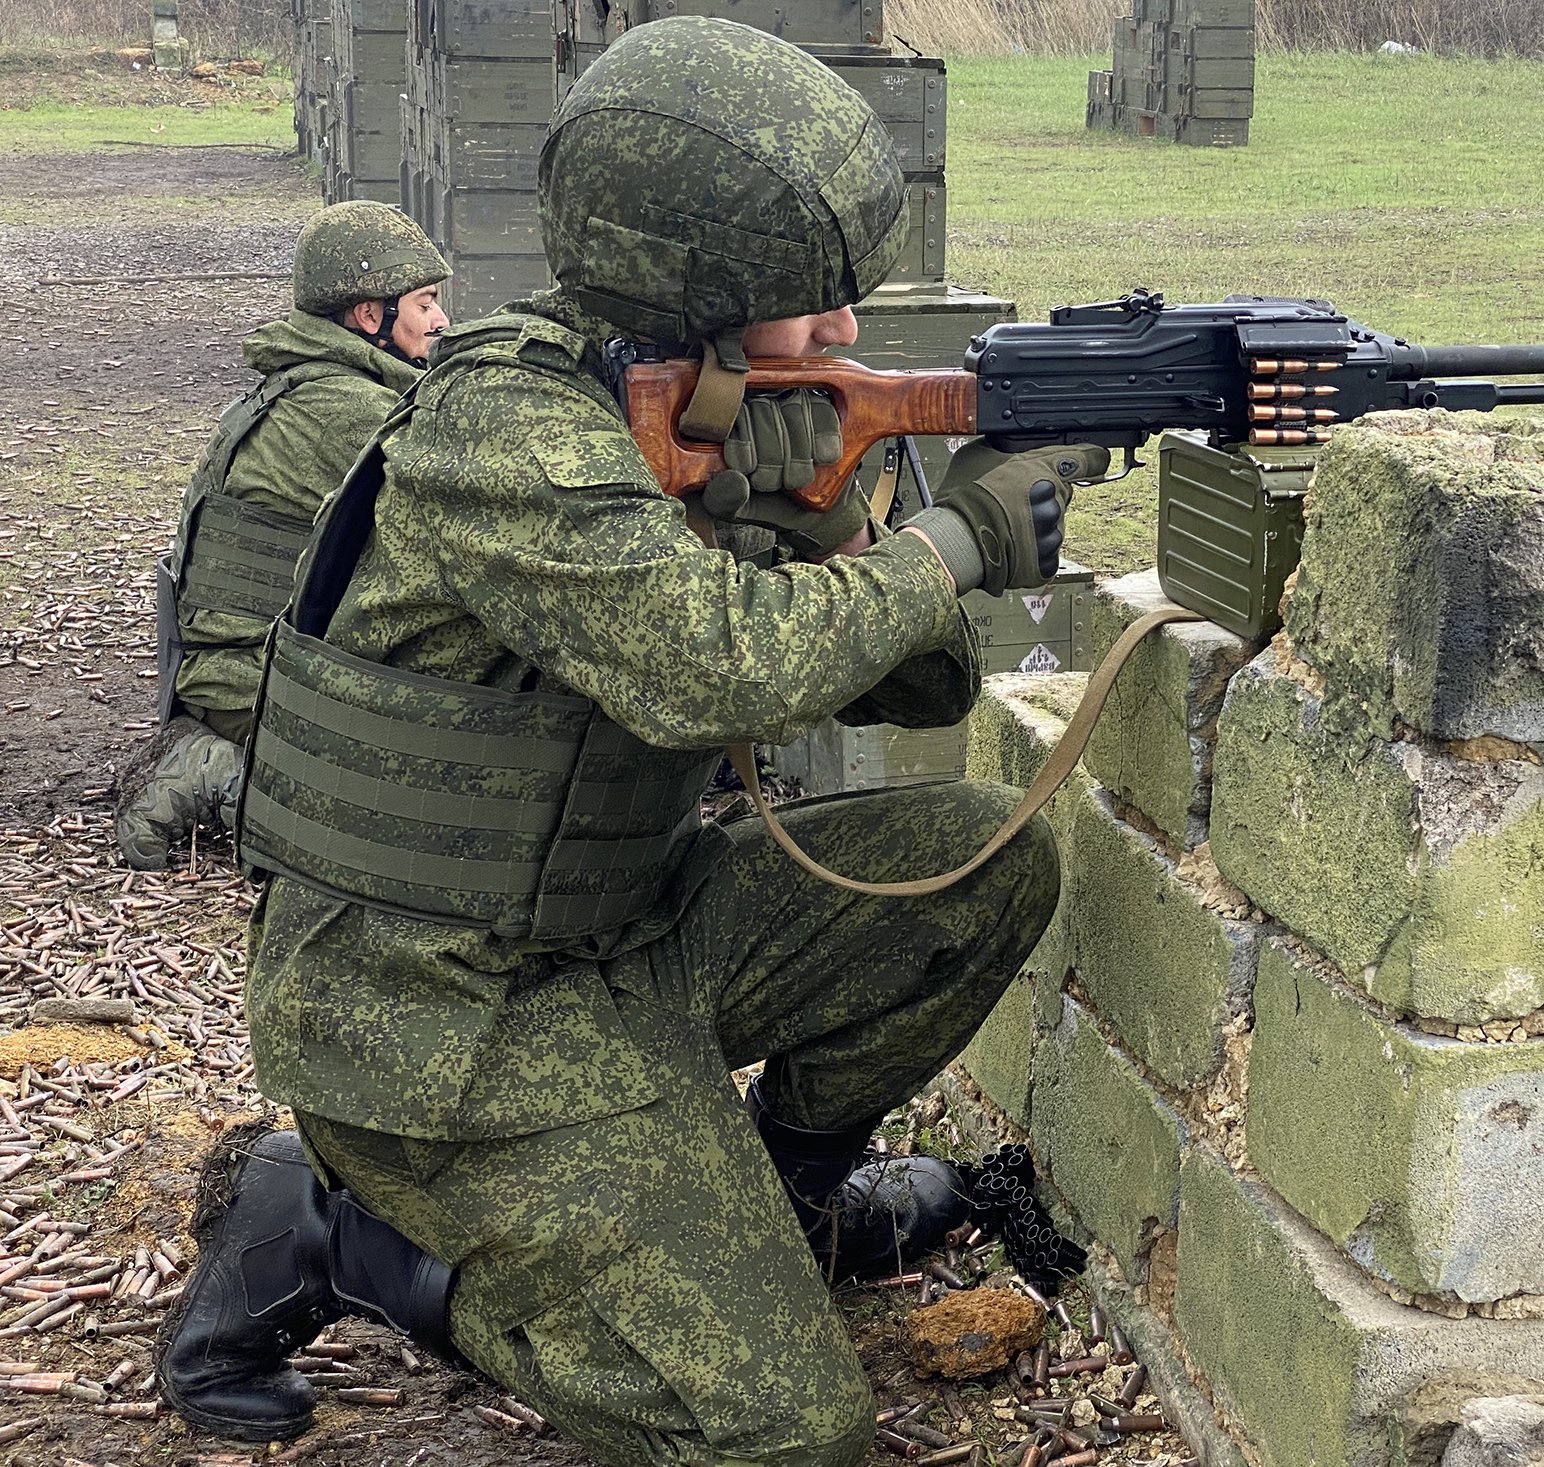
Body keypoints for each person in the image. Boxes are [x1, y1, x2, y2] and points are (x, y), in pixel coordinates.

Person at [156, 19, 1101, 1466]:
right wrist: (952, 543)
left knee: (979, 861)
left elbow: (925, 702)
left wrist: (832, 517)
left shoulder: (688, 421)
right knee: (783, 1433)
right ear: (701, 306)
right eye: (812, 303)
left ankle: (785, 1212)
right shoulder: (511, 434)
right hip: (439, 1022)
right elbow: (708, 667)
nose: (845, 333)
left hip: (622, 933)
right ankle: (351, 1238)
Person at [114, 201, 451, 870]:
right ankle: (211, 773)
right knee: (413, 824)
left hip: (243, 669)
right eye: (425, 302)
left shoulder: (314, 388)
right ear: (368, 316)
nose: (441, 320)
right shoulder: (347, 411)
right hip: (249, 684)